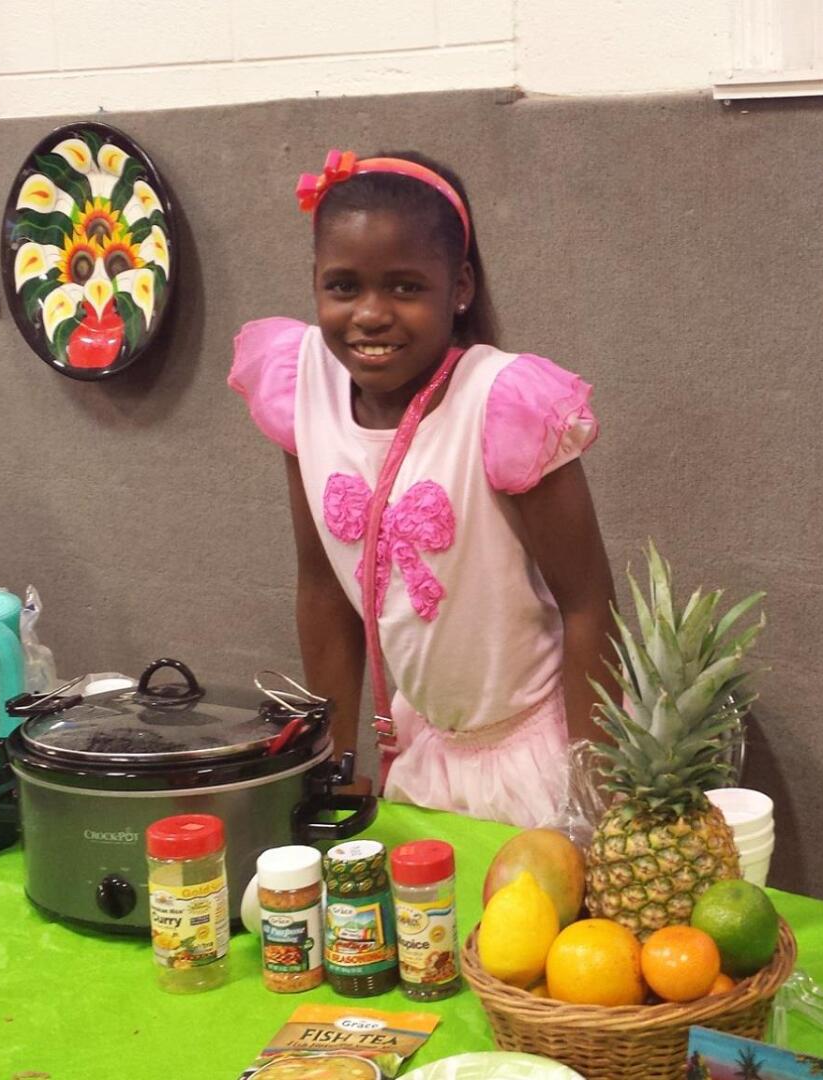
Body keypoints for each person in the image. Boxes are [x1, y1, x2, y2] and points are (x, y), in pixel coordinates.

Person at [229, 150, 615, 828]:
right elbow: (323, 590)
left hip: (541, 753)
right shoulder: (301, 387)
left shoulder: (501, 405)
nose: (371, 315)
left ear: (458, 286)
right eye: (344, 287)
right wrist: (332, 767)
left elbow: (590, 605)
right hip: (424, 750)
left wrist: (594, 796)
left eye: (405, 288)